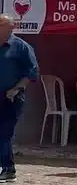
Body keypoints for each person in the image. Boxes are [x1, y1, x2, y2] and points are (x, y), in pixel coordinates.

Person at [0, 14, 39, 182]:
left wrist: (16, 89)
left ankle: (8, 168)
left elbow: (32, 72)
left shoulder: (21, 46)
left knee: (4, 133)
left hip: (11, 97)